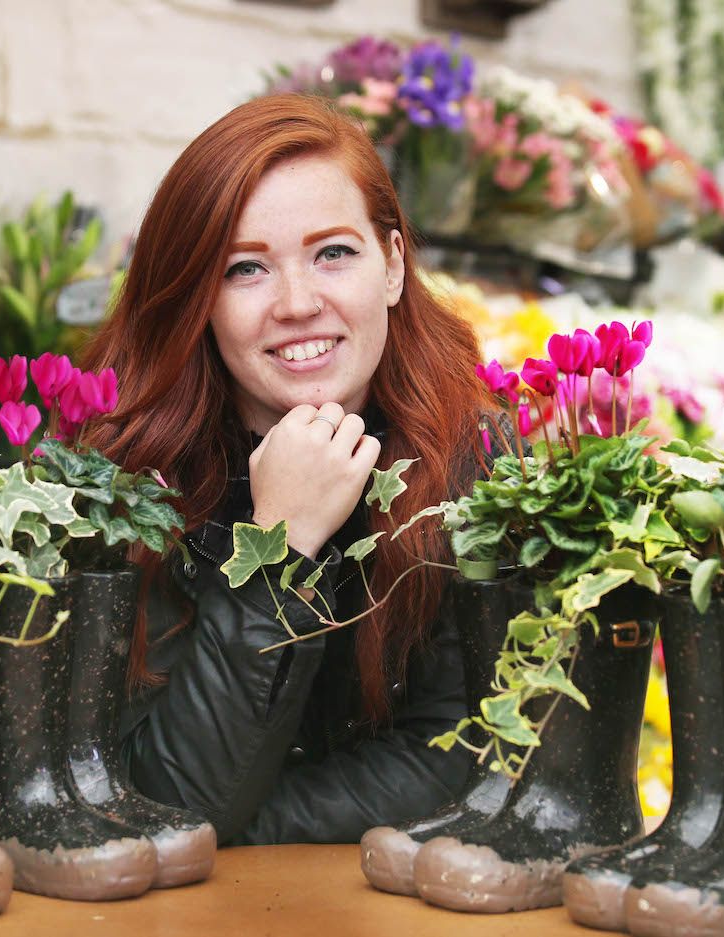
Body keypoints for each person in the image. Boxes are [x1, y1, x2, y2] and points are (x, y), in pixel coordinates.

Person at [80, 93, 488, 845]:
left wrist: (251, 820)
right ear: (197, 299)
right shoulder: (130, 480)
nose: (298, 303)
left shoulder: (473, 457)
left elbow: (464, 753)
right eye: (245, 269)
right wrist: (279, 544)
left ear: (393, 264)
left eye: (334, 252)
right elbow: (155, 798)